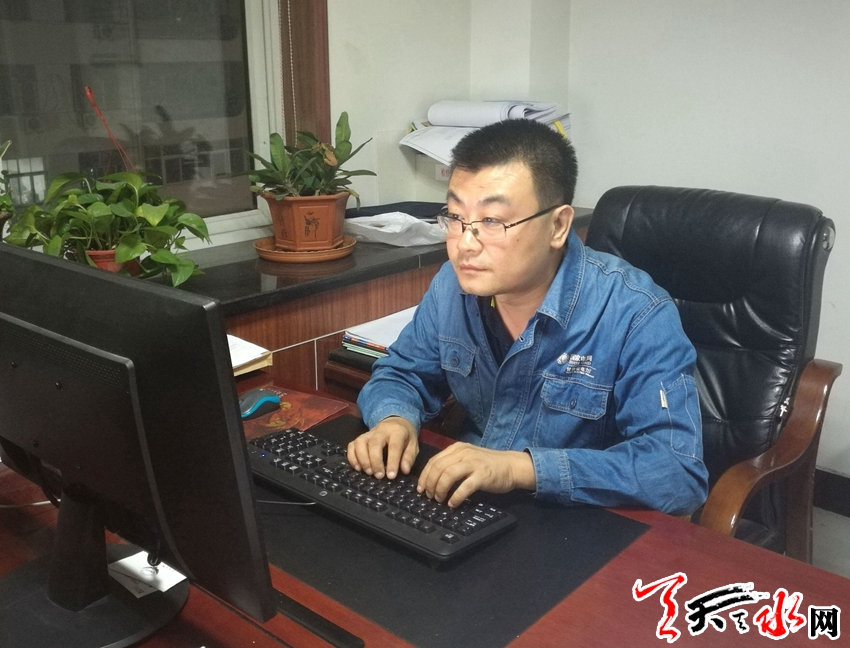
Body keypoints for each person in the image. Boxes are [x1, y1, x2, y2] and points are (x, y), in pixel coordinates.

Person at [349, 118, 708, 516]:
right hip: (467, 507)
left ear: (558, 226)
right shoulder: (454, 285)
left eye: (492, 221)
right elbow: (403, 373)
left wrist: (520, 469)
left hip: (579, 522)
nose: (465, 244)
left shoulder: (636, 312)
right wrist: (394, 419)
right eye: (455, 216)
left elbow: (676, 472)